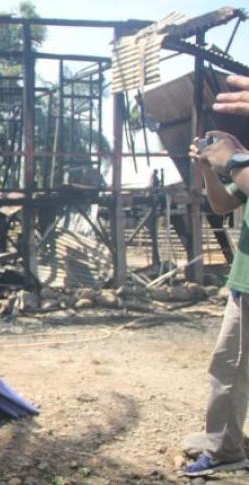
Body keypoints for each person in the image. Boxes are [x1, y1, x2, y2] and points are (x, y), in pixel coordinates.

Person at [185, 129, 249, 477]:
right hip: (244, 283)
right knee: (229, 368)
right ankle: (224, 441)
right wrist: (209, 169)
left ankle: (225, 449)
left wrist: (234, 159)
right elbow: (223, 204)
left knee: (230, 369)